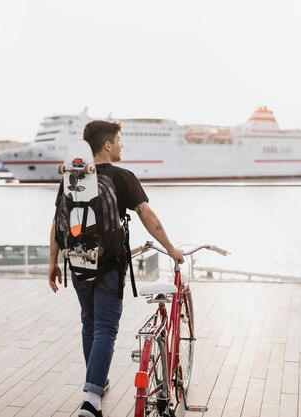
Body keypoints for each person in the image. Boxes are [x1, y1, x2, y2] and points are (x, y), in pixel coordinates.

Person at [48, 120, 184, 417]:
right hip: (109, 264)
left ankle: (96, 382)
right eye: (120, 141)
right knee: (105, 329)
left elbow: (57, 220)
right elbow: (146, 213)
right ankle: (92, 400)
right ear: (107, 145)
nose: (122, 146)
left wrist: (52, 263)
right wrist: (172, 248)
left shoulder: (74, 177)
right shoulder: (122, 176)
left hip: (77, 262)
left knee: (90, 323)